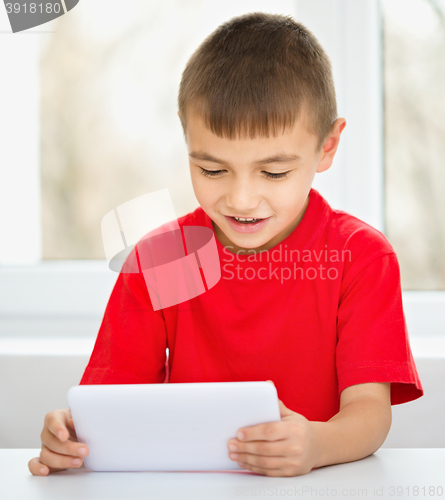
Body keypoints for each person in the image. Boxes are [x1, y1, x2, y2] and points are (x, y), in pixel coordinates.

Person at [29, 12, 423, 478]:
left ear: (327, 147)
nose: (240, 199)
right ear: (186, 136)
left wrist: (317, 444)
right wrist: (74, 436)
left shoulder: (360, 258)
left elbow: (370, 414)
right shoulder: (164, 260)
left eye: (274, 172)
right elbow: (110, 404)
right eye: (212, 170)